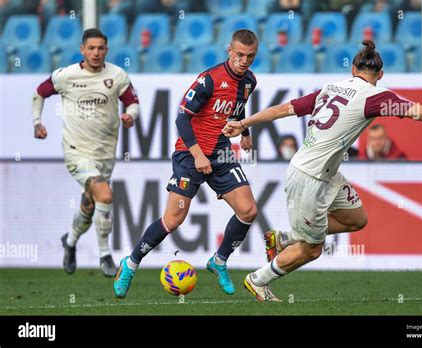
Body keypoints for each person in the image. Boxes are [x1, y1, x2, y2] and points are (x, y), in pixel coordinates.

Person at [223, 40, 422, 302]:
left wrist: (244, 123)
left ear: (352, 69)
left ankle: (283, 238)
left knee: (357, 219)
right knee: (312, 249)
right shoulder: (375, 97)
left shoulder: (330, 88)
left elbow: (284, 109)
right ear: (381, 75)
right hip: (309, 177)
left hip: (325, 173)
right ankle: (258, 279)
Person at [114, 29, 259, 298]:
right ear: (229, 50)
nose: (244, 61)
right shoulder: (209, 80)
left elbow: (238, 108)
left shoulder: (249, 81)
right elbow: (182, 118)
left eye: (250, 56)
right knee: (173, 219)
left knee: (248, 210)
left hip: (221, 155)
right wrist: (198, 155)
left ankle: (219, 261)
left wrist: (246, 133)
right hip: (190, 155)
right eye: (239, 55)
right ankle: (130, 263)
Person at [32, 28, 140, 277]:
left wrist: (129, 115)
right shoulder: (66, 76)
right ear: (82, 49)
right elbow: (39, 92)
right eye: (91, 48)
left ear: (107, 50)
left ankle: (69, 242)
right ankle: (105, 255)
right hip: (76, 151)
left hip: (105, 152)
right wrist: (37, 122)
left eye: (100, 48)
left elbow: (132, 102)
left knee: (90, 204)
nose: (96, 53)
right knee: (105, 195)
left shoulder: (117, 75)